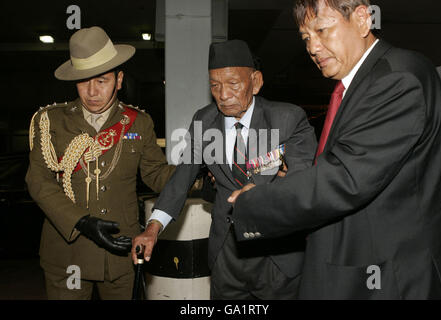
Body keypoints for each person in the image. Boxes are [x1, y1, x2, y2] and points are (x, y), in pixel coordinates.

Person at [229, 0, 441, 299]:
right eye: (306, 38)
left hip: (390, 277)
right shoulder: (361, 84)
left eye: (321, 30)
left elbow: (346, 178)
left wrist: (253, 202)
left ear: (362, 19)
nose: (313, 47)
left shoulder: (397, 78)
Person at [132, 39, 317, 299]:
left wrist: (265, 193)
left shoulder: (286, 118)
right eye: (215, 86)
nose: (224, 95)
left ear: (256, 81)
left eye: (233, 84)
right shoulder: (204, 121)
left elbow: (304, 177)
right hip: (227, 255)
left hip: (276, 253)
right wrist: (153, 228)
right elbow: (182, 177)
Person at [25, 26, 175, 300]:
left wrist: (198, 174)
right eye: (84, 82)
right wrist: (80, 222)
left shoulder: (138, 122)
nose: (92, 92)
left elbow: (156, 174)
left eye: (102, 81)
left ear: (119, 80)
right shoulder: (51, 122)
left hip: (120, 252)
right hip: (67, 250)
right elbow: (38, 181)